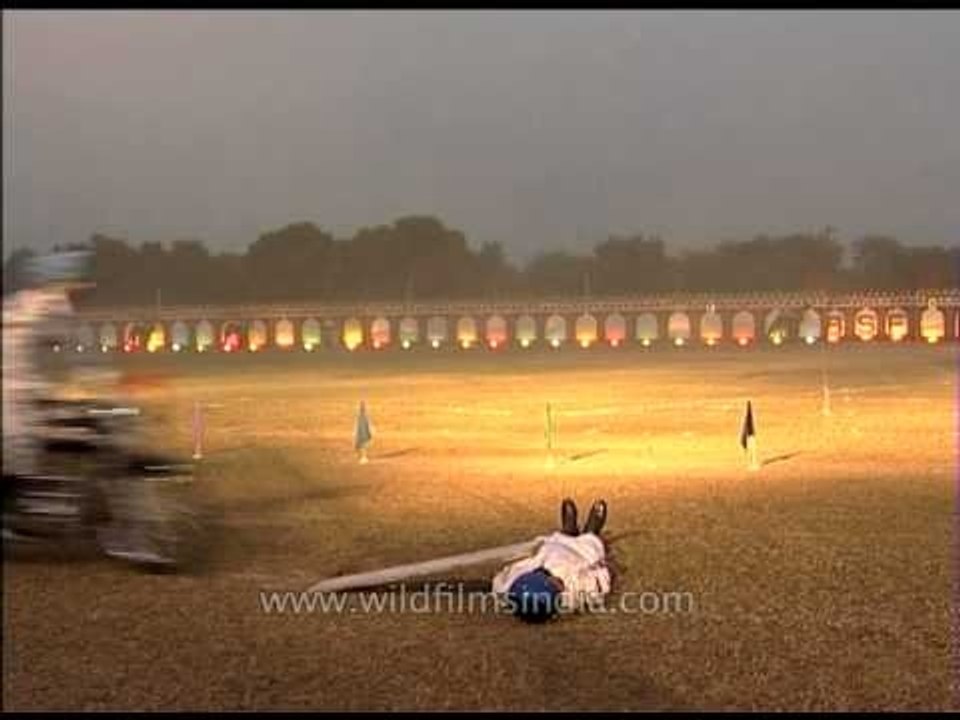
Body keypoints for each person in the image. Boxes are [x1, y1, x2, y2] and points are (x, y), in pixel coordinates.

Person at [492, 498, 611, 623]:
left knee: (550, 546)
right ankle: (591, 531)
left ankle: (568, 531)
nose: (557, 583)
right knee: (590, 546)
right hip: (580, 555)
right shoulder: (574, 594)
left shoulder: (511, 584)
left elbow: (500, 581)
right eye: (556, 586)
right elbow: (598, 584)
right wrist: (600, 569)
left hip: (551, 550)